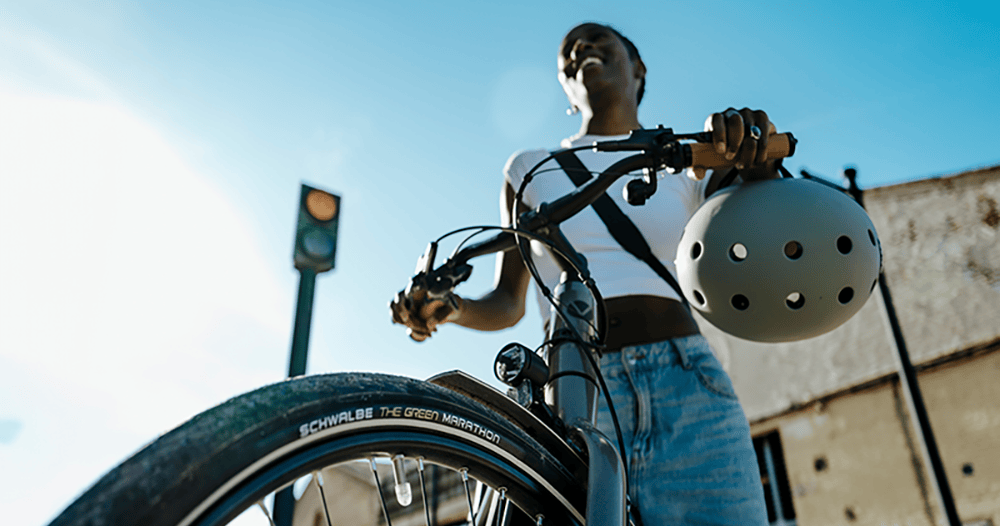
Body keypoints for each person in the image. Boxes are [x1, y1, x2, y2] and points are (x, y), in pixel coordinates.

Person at [391, 22, 780, 525]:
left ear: (638, 69)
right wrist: (454, 308)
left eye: (599, 42)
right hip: (578, 389)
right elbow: (509, 302)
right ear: (566, 89)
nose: (582, 51)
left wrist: (753, 154)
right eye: (569, 53)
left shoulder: (688, 161)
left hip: (689, 386)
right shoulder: (530, 169)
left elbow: (759, 233)